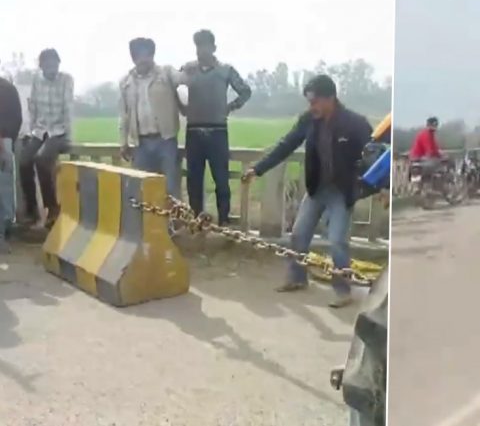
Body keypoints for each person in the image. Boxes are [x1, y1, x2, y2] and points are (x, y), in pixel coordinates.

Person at [242, 75, 372, 308]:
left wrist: (377, 187)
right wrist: (257, 169)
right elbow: (286, 145)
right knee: (299, 234)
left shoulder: (356, 124)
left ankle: (343, 291)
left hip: (341, 192)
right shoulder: (308, 121)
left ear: (330, 98)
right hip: (316, 188)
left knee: (337, 241)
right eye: (309, 102)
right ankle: (297, 278)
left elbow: (373, 157)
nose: (311, 107)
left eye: (315, 102)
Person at [181, 29, 252, 225]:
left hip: (217, 131)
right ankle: (196, 221)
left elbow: (245, 91)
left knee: (221, 180)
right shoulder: (187, 69)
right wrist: (182, 107)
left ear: (213, 47)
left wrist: (230, 107)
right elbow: (172, 87)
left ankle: (223, 223)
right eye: (197, 46)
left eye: (204, 46)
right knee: (193, 181)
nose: (200, 51)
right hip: (193, 131)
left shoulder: (225, 70)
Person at [119, 38, 185, 199]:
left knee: (170, 187)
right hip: (140, 144)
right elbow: (124, 115)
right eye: (137, 55)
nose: (142, 59)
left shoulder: (166, 73)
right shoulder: (126, 82)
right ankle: (147, 224)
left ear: (152, 55)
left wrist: (189, 67)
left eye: (145, 54)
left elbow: (183, 79)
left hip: (166, 140)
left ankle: (172, 224)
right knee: (142, 188)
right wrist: (123, 142)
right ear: (133, 57)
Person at [19, 48, 73, 229]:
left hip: (58, 130)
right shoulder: (36, 80)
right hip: (40, 130)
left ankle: (52, 208)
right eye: (47, 64)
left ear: (59, 63)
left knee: (42, 160)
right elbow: (32, 106)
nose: (52, 68)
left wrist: (67, 134)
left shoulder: (66, 79)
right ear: (41, 66)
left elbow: (68, 106)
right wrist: (31, 129)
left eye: (55, 64)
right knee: (24, 161)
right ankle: (32, 209)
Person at [0, 75, 22, 252]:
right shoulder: (9, 88)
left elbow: (16, 118)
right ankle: (5, 229)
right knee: (5, 187)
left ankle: (4, 231)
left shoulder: (6, 89)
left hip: (4, 141)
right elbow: (18, 119)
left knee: (4, 187)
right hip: (6, 141)